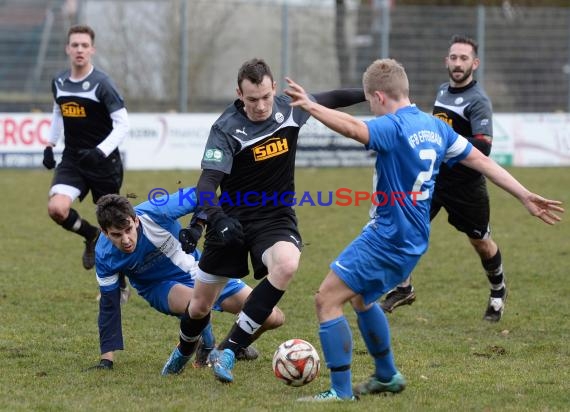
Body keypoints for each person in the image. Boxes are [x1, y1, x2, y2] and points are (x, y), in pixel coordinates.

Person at [284, 59, 563, 401]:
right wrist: (525, 196)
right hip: (414, 237)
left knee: (326, 299)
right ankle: (387, 375)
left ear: (380, 97)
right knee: (360, 296)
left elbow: (356, 129)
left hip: (387, 235)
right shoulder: (435, 127)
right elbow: (483, 161)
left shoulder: (394, 127)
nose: (372, 109)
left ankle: (340, 391)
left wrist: (311, 106)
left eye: (372, 103)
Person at [178, 58, 366, 384]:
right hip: (231, 222)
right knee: (198, 307)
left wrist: (371, 92)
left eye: (266, 96)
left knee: (287, 264)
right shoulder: (226, 128)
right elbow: (207, 184)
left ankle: (228, 350)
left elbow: (332, 97)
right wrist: (217, 218)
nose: (261, 105)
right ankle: (182, 352)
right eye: (252, 99)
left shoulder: (288, 109)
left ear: (274, 89)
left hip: (275, 218)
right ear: (239, 93)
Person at [87, 188, 284, 373]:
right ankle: (206, 346)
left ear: (135, 220)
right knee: (196, 305)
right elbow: (109, 306)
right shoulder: (104, 255)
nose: (126, 240)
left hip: (199, 270)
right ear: (105, 232)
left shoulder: (157, 211)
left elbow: (202, 193)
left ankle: (228, 350)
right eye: (116, 235)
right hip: (159, 287)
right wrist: (106, 360)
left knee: (272, 317)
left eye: (128, 229)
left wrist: (196, 227)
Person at [380, 34, 507, 322]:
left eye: (464, 58)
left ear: (474, 63)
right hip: (434, 180)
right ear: (446, 61)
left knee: (481, 242)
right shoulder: (442, 91)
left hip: (467, 187)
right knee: (405, 227)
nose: (458, 63)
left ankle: (498, 290)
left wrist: (444, 141)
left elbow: (484, 146)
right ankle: (404, 288)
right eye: (454, 57)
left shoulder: (478, 100)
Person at [43, 24, 129, 279]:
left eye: (84, 45)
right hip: (73, 159)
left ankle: (121, 278)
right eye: (75, 45)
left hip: (104, 163)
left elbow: (123, 124)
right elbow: (58, 112)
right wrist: (50, 144)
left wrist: (100, 151)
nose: (79, 50)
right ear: (67, 49)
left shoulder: (102, 84)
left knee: (114, 225)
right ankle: (89, 235)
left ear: (92, 50)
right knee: (57, 209)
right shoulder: (59, 82)